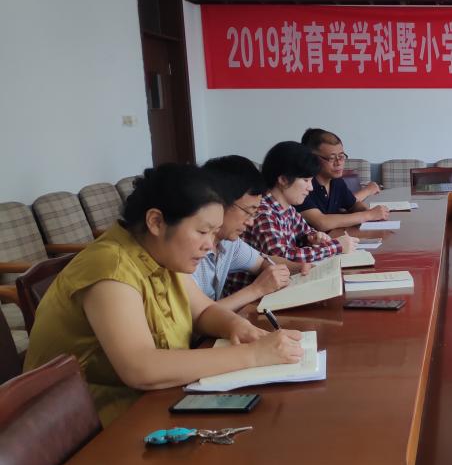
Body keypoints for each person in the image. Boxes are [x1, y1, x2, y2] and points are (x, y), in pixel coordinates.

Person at [24, 164, 304, 426]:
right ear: (156, 222)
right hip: (83, 427)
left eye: (215, 232)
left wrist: (240, 328)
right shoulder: (111, 267)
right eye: (202, 231)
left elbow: (203, 311)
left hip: (149, 403)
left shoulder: (161, 253)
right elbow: (141, 368)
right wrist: (252, 355)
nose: (210, 245)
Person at [195, 155, 311, 311]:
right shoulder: (190, 251)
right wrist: (257, 289)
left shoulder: (228, 243)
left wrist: (299, 268)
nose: (250, 222)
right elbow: (200, 316)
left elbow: (261, 262)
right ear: (219, 204)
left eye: (254, 213)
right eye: (247, 212)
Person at [239, 141, 356, 273]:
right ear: (283, 180)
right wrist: (336, 246)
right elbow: (282, 258)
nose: (310, 188)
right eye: (306, 180)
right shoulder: (263, 212)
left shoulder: (288, 209)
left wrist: (313, 238)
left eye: (311, 181)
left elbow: (307, 232)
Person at [298, 128, 390, 232]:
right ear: (312, 158)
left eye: (341, 156)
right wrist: (368, 215)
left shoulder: (336, 181)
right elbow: (321, 223)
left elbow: (353, 204)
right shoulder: (303, 185)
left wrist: (367, 211)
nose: (338, 163)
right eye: (331, 158)